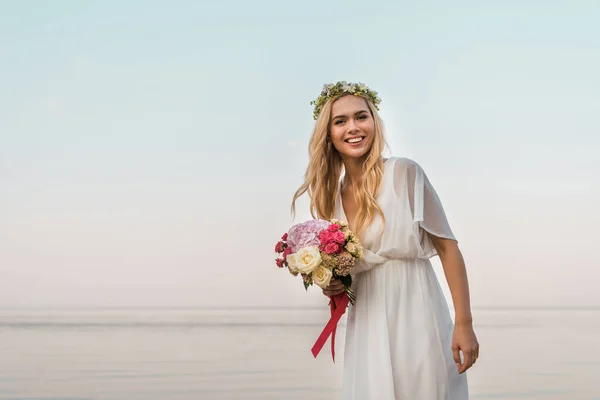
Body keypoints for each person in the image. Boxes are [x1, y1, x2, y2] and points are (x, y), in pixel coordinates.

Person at [291, 81, 479, 399]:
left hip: (416, 307)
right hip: (366, 318)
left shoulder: (403, 173)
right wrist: (333, 284)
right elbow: (347, 269)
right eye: (340, 121)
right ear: (329, 133)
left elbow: (448, 247)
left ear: (375, 123)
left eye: (361, 117)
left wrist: (464, 323)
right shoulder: (331, 198)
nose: (353, 127)